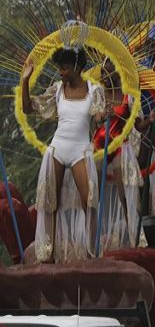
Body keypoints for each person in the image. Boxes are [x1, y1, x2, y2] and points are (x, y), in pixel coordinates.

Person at [21, 46, 107, 263]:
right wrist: (24, 82)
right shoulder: (57, 89)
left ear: (78, 67)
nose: (61, 72)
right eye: (59, 68)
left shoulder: (94, 89)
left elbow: (98, 115)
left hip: (80, 150)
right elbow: (28, 108)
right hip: (58, 149)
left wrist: (100, 117)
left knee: (90, 202)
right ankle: (48, 257)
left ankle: (91, 253)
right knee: (50, 203)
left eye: (65, 68)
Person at [93, 58, 155, 249]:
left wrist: (151, 119)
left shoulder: (128, 95)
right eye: (102, 71)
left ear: (116, 71)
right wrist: (105, 114)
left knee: (125, 195)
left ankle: (135, 239)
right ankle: (92, 240)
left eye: (107, 71)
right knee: (89, 191)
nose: (103, 74)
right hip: (99, 146)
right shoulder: (99, 93)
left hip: (120, 145)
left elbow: (138, 125)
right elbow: (96, 120)